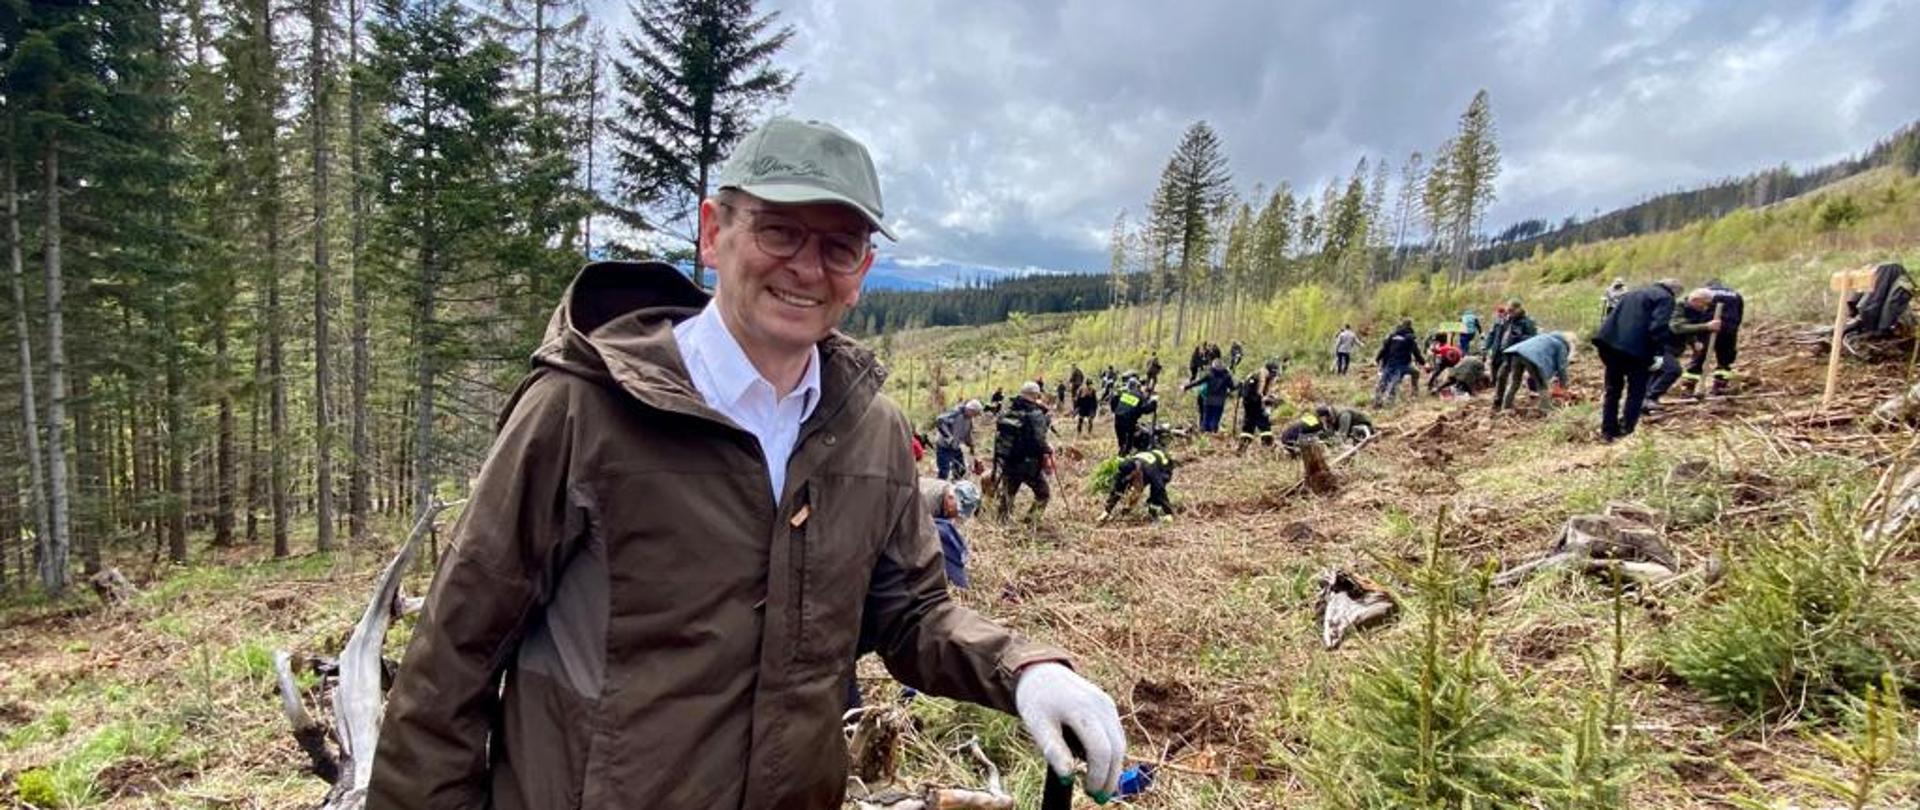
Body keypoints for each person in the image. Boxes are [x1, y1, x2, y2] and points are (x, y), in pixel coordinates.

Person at [366, 118, 1124, 810]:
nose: (807, 268)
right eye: (779, 231)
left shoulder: (872, 433)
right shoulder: (581, 410)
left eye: (838, 246)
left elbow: (911, 614)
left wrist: (1025, 670)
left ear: (863, 269)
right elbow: (453, 658)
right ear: (713, 232)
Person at [1592, 279, 1687, 441]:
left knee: (1613, 390)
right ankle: (1627, 429)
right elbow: (1658, 327)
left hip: (1609, 345)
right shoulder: (1666, 298)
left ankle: (1608, 431)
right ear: (1675, 292)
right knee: (1636, 391)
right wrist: (1658, 353)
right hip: (1636, 350)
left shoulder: (1633, 293)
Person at [1645, 289, 1719, 411]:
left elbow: (1687, 327)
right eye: (1704, 304)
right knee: (1672, 370)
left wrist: (1694, 342)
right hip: (1658, 346)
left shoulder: (1692, 310)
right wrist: (1706, 326)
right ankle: (1650, 398)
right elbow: (1677, 327)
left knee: (1658, 372)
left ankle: (1645, 401)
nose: (1705, 308)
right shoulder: (1677, 307)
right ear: (1696, 300)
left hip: (1667, 347)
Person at [994, 381, 1055, 523]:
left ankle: (1001, 522)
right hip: (1028, 464)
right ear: (1036, 395)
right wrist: (1048, 448)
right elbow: (1039, 441)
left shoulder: (1008, 410)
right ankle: (1030, 522)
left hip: (1008, 460)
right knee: (1043, 494)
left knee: (1008, 494)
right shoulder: (1035, 414)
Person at [918, 478, 981, 588]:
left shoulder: (947, 492)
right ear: (951, 497)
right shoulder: (926, 501)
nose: (955, 516)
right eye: (957, 511)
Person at [1494, 332, 1575, 415]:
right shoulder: (1560, 345)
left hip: (1517, 353)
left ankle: (1506, 406)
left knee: (1515, 382)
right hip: (1531, 358)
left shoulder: (1544, 337)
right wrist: (1564, 384)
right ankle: (1545, 407)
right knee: (1542, 384)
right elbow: (1562, 367)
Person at [1099, 443, 1176, 523]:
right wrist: (1106, 511)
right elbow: (1117, 490)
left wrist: (1168, 512)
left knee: (1155, 492)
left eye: (1130, 477)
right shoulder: (1123, 471)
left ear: (1134, 471)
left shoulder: (1149, 470)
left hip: (1164, 464)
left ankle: (1161, 511)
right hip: (1145, 463)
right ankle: (1148, 508)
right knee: (1131, 488)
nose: (1128, 480)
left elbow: (1160, 488)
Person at [1692, 281, 1745, 396]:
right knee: (1725, 359)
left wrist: (1697, 329)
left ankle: (1688, 387)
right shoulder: (1735, 294)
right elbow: (1739, 313)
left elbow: (1695, 310)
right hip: (1729, 329)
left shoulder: (1705, 292)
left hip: (1708, 327)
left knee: (1699, 357)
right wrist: (1733, 327)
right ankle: (1719, 386)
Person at [1487, 299, 1538, 401]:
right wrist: (1491, 348)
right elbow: (1497, 335)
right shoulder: (1506, 321)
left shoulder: (1527, 322)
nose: (1510, 313)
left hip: (1521, 353)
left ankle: (1535, 392)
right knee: (1501, 376)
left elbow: (1533, 339)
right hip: (1506, 353)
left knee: (1519, 378)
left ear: (1519, 309)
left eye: (1512, 310)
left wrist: (1519, 337)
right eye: (1509, 310)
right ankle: (1498, 399)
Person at [1372, 318, 1427, 407]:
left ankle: (1377, 401)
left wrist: (1377, 359)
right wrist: (1424, 363)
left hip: (1390, 363)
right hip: (1402, 365)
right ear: (1410, 326)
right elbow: (1416, 353)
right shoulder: (1410, 337)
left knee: (1384, 381)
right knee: (1408, 376)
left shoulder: (1393, 336)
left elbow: (1384, 349)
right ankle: (1411, 395)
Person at [933, 399, 984, 480]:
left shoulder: (969, 420)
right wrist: (949, 437)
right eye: (975, 413)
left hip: (955, 447)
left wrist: (971, 446)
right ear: (971, 410)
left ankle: (956, 484)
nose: (975, 416)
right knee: (944, 472)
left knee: (961, 469)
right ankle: (940, 486)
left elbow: (967, 435)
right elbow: (940, 421)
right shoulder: (955, 413)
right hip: (943, 447)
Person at [1109, 374, 1158, 454]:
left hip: (1118, 419)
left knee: (1122, 443)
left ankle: (1122, 453)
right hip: (1129, 421)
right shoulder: (1139, 396)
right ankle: (1127, 453)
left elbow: (1114, 402)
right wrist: (1153, 403)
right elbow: (1145, 409)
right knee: (1129, 443)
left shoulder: (1125, 394)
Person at [1184, 357, 1234, 433]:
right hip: (1219, 401)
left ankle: (1205, 434)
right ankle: (1213, 433)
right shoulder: (1226, 376)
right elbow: (1232, 387)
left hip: (1208, 400)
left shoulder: (1210, 374)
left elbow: (1198, 382)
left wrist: (1186, 387)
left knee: (1206, 418)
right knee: (1215, 419)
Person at [1236, 366, 1275, 451]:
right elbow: (1255, 394)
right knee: (1262, 423)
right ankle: (1267, 445)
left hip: (1252, 403)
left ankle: (1243, 446)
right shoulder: (1257, 377)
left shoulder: (1262, 377)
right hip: (1252, 404)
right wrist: (1263, 401)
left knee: (1250, 425)